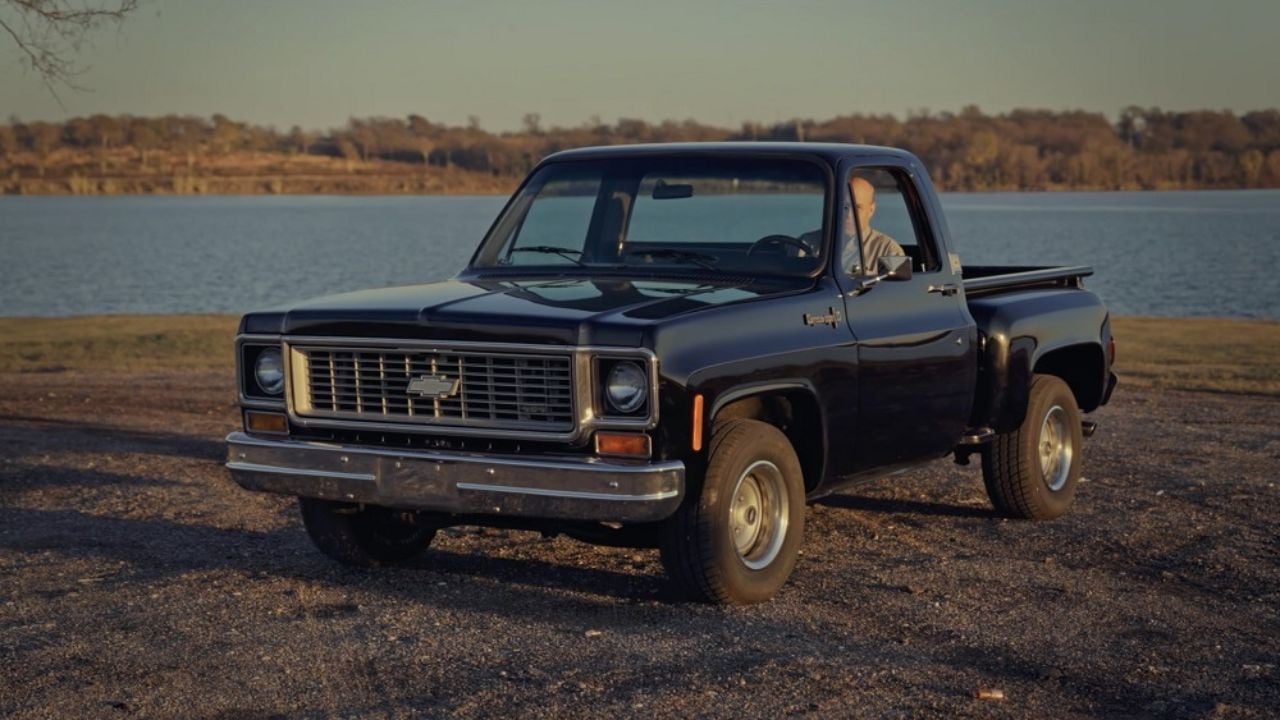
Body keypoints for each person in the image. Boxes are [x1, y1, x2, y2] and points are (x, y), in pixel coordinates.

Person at [843, 176, 904, 276]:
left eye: (857, 207)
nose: (849, 214)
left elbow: (898, 284)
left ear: (871, 210)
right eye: (844, 207)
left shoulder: (888, 250)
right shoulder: (814, 244)